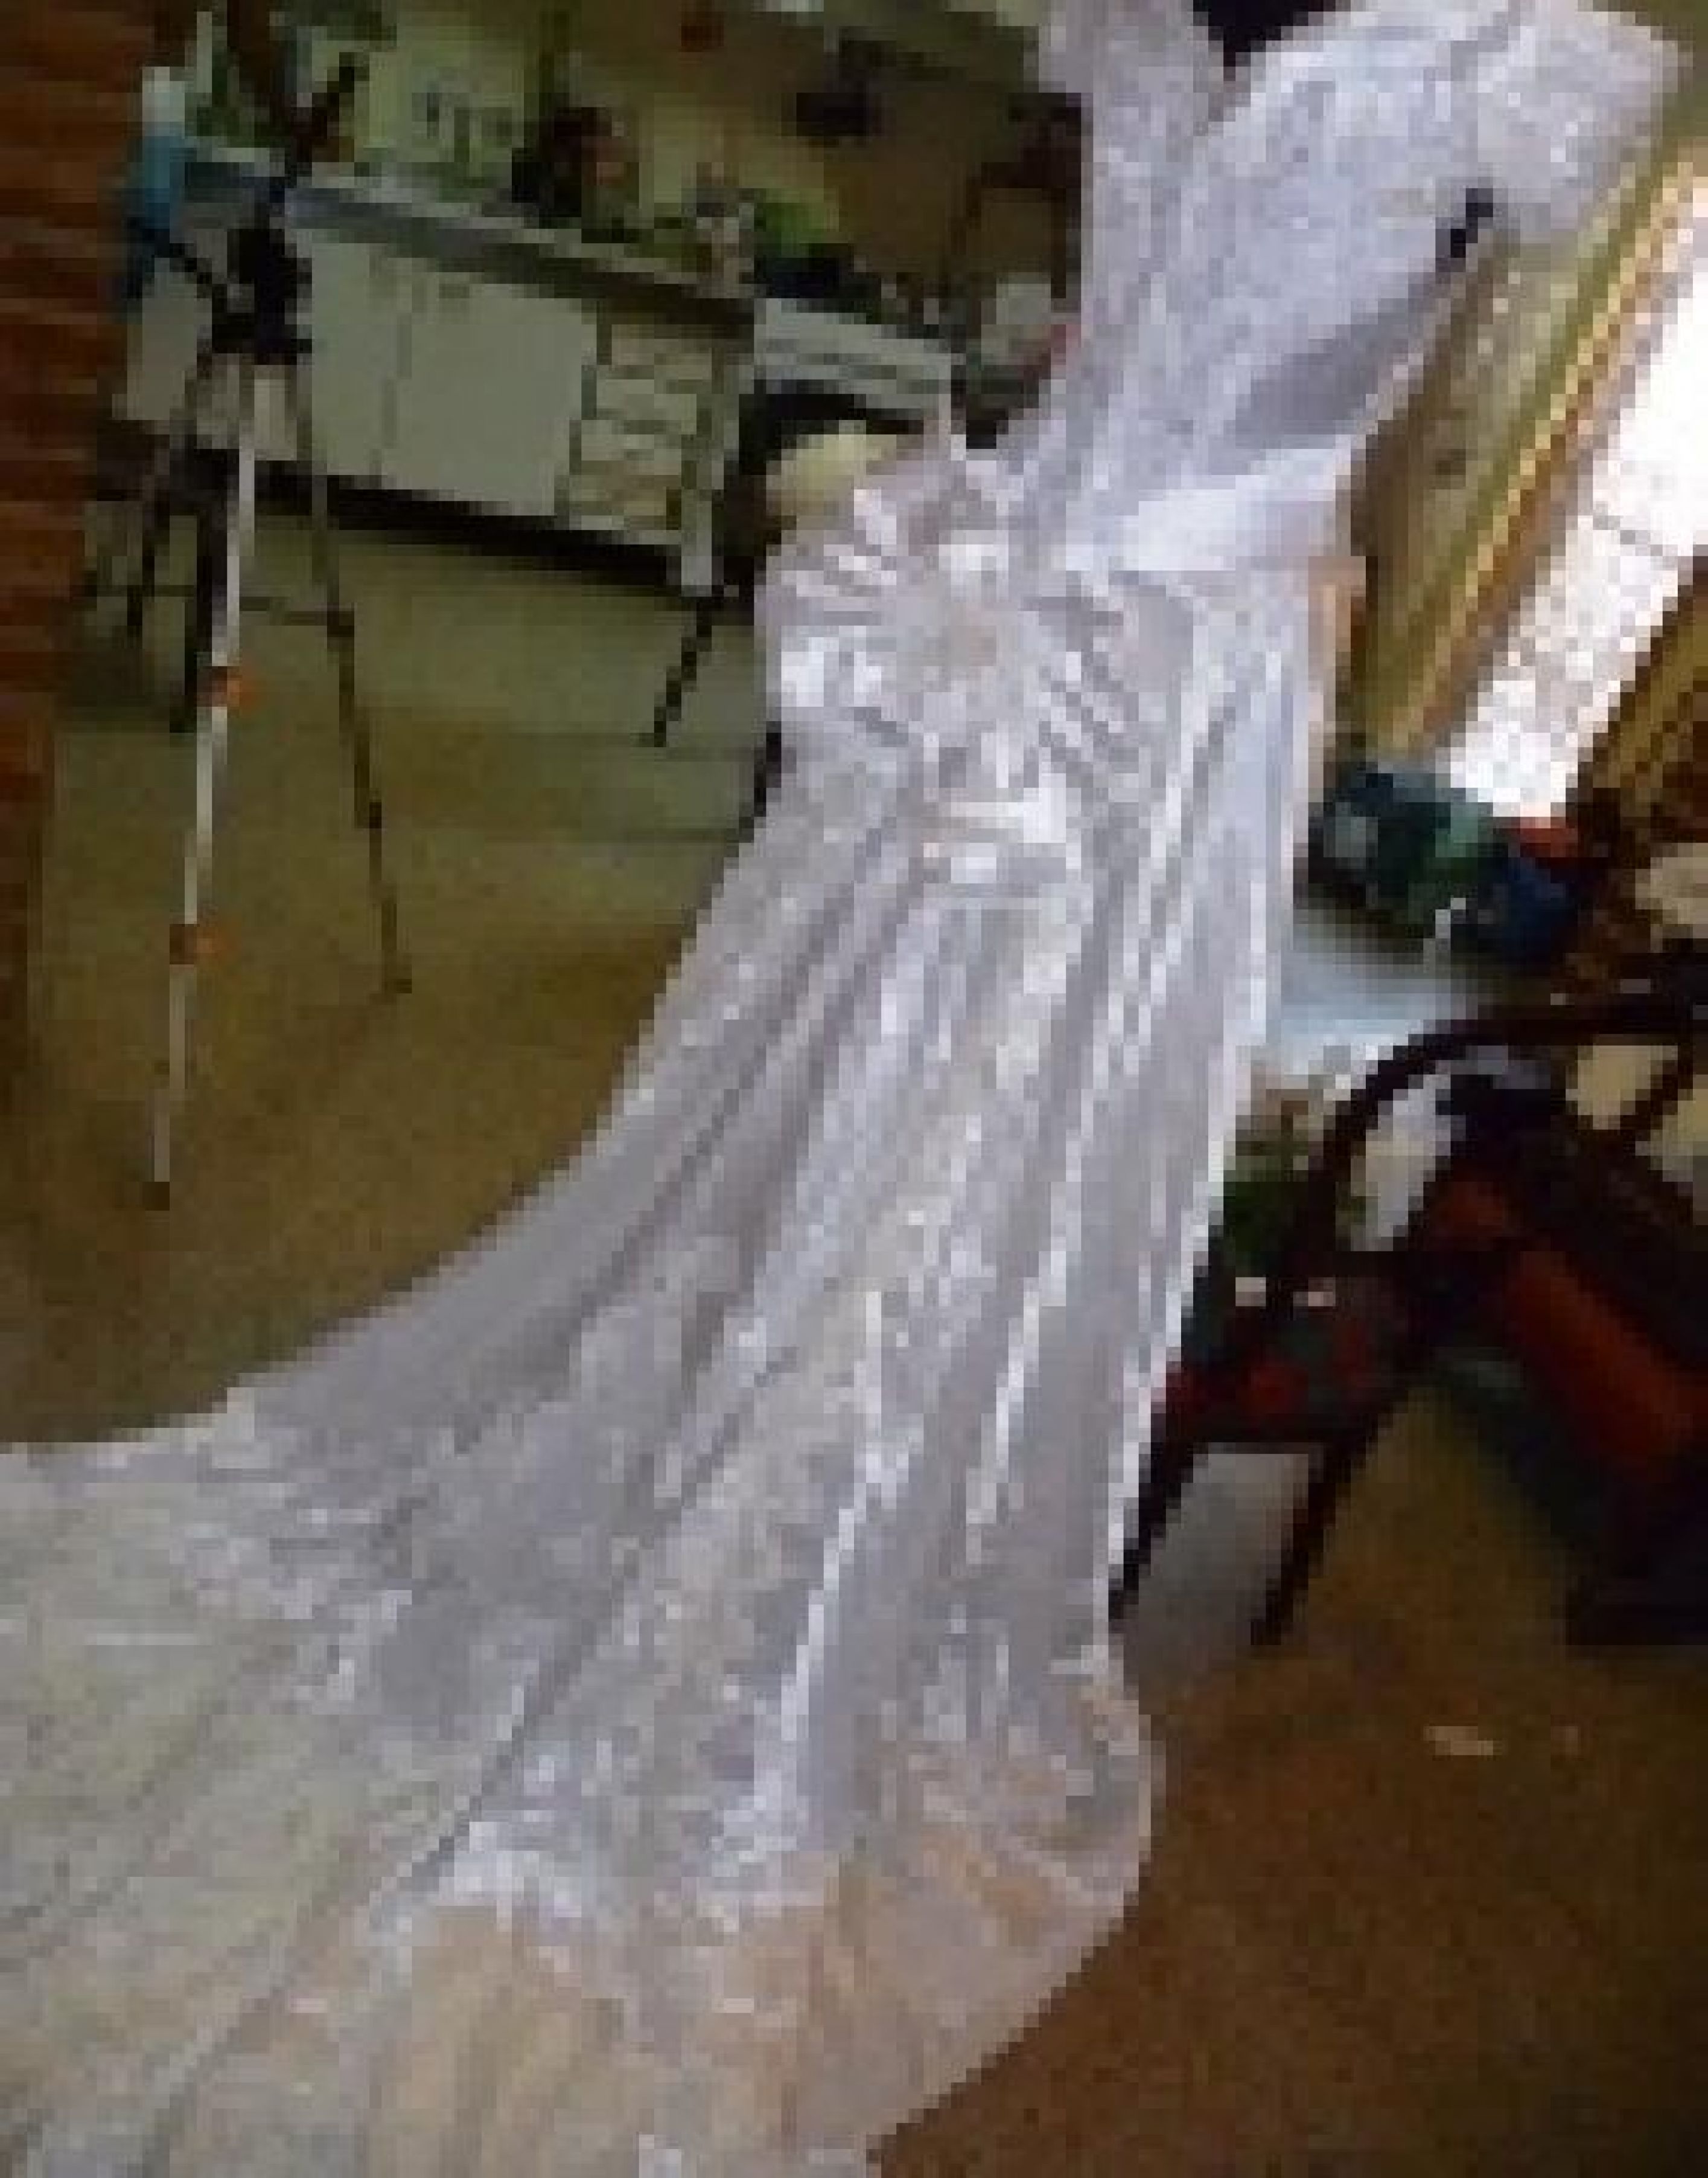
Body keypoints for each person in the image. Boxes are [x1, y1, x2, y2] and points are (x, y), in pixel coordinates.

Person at [1, 5, 1680, 2173]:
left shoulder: (1529, 53)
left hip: (1167, 703)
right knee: (803, 1097)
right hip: (1017, 589)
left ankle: (846, 1562)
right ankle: (723, 1459)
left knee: (995, 1164)